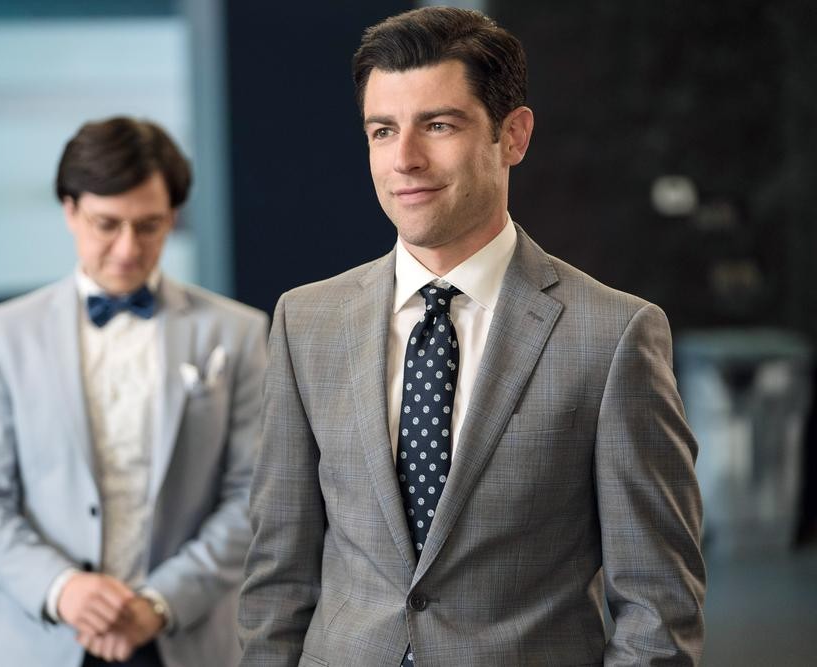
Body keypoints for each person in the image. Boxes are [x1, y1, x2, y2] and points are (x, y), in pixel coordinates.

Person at [239, 7, 705, 666]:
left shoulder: (615, 335)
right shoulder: (305, 321)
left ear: (512, 136)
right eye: (382, 130)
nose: (405, 159)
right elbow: (277, 581)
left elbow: (658, 605)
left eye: (438, 125)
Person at [0, 117, 267, 667]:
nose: (127, 249)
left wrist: (162, 599)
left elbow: (254, 493)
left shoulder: (235, 333)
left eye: (149, 226)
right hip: (43, 636)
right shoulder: (1, 336)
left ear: (172, 217)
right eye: (106, 224)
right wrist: (62, 587)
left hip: (187, 635)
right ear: (70, 210)